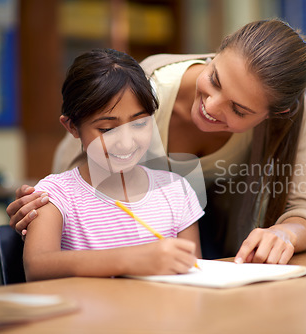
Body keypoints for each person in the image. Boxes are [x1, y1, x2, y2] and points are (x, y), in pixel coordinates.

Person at [7, 18, 306, 265]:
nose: (211, 107)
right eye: (214, 79)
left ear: (277, 112)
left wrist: (286, 233)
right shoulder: (143, 92)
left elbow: (302, 209)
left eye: (239, 109)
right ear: (215, 53)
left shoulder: (286, 112)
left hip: (201, 251)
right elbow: (79, 193)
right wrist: (46, 203)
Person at [23, 49, 204, 281]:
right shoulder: (55, 195)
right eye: (107, 130)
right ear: (72, 127)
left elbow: (194, 275)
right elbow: (37, 267)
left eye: (139, 124)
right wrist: (132, 260)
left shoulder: (176, 190)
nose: (126, 142)